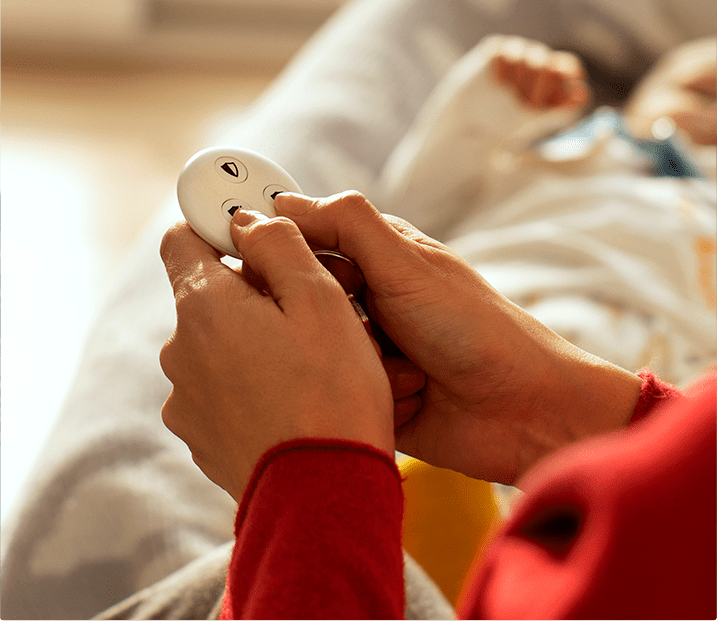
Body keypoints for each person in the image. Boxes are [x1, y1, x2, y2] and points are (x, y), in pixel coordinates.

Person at [158, 35, 716, 620]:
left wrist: (306, 483)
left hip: (659, 367)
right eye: (699, 92)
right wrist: (487, 105)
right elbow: (415, 206)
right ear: (633, 101)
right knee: (441, 476)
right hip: (506, 329)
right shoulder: (565, 152)